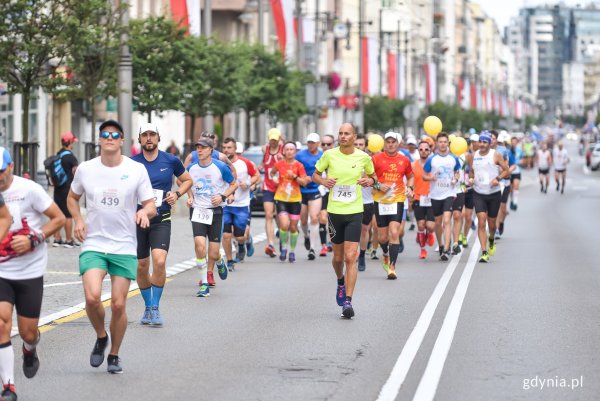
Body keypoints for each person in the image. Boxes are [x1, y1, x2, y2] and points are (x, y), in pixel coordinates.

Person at [68, 120, 156, 374]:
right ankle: (100, 336)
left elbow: (149, 203)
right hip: (94, 243)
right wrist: (78, 219)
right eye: (104, 134)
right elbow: (72, 198)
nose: (109, 138)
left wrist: (144, 214)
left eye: (114, 135)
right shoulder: (85, 169)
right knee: (92, 296)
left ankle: (114, 354)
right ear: (99, 139)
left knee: (118, 304)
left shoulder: (136, 169)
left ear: (122, 140)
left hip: (124, 245)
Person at [0, 148, 64, 401]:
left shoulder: (29, 189)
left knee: (28, 332)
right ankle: (8, 386)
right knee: (2, 322)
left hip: (30, 271)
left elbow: (58, 218)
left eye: (1, 170)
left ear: (11, 166)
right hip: (2, 271)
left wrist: (34, 237)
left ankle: (30, 348)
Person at [313, 123, 377, 319]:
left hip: (354, 211)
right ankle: (340, 280)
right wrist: (323, 181)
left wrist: (370, 181)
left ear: (354, 136)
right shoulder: (329, 155)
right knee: (338, 258)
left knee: (351, 257)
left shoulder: (364, 157)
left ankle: (348, 301)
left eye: (346, 133)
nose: (342, 136)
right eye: (340, 133)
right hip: (334, 212)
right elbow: (314, 175)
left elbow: (373, 177)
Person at [132, 123, 193, 326]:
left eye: (152, 135)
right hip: (138, 220)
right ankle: (147, 307)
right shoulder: (131, 163)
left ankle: (155, 308)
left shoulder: (171, 160)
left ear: (158, 138)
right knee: (142, 266)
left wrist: (176, 194)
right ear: (140, 139)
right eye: (145, 135)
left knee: (159, 262)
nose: (149, 138)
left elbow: (187, 180)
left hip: (161, 219)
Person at [186, 138, 237, 297]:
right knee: (200, 246)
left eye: (203, 148)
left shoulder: (220, 166)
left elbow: (233, 183)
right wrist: (189, 197)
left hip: (215, 212)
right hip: (199, 210)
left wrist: (223, 196)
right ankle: (204, 284)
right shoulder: (191, 167)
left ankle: (219, 259)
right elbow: (183, 182)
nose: (199, 151)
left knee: (213, 253)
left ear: (211, 150)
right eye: (197, 148)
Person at [372, 132, 414, 279]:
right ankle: (385, 253)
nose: (390, 144)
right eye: (388, 141)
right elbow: (367, 178)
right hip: (380, 201)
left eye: (393, 142)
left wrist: (410, 188)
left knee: (394, 232)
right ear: (384, 143)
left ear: (398, 144)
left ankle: (392, 267)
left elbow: (410, 176)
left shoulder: (404, 160)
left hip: (397, 200)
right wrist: (378, 185)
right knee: (382, 237)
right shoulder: (375, 159)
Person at [466, 132, 509, 263]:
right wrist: (471, 179)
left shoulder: (496, 155)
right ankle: (484, 252)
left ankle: (491, 239)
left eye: (485, 142)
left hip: (494, 193)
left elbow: (507, 170)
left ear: (490, 144)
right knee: (481, 220)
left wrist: (498, 179)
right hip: (479, 193)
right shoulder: (473, 156)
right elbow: (471, 171)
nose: (482, 145)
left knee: (491, 224)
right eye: (480, 142)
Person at [221, 138, 259, 270]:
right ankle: (230, 261)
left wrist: (248, 184)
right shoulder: (220, 163)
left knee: (240, 236)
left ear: (235, 149)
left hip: (242, 204)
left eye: (229, 147)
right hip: (225, 205)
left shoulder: (245, 163)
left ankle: (244, 243)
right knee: (225, 235)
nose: (226, 150)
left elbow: (256, 176)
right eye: (224, 147)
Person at [423, 133, 460, 261]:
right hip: (435, 194)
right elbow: (424, 175)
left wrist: (455, 178)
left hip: (449, 193)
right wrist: (431, 177)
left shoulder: (453, 158)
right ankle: (441, 245)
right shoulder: (432, 159)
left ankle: (446, 249)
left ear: (448, 143)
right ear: (437, 143)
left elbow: (457, 171)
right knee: (438, 223)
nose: (443, 144)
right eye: (440, 142)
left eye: (445, 142)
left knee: (446, 220)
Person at [270, 142, 310, 262]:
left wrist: (294, 177)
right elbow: (272, 173)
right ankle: (284, 248)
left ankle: (292, 251)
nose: (289, 151)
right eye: (287, 149)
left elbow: (304, 182)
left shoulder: (299, 166)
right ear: (283, 151)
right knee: (283, 225)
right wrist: (275, 178)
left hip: (295, 199)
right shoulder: (279, 164)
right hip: (281, 198)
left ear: (295, 151)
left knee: (293, 227)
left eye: (291, 149)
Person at [295, 133, 323, 261]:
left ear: (318, 143)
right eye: (309, 142)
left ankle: (312, 248)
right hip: (301, 190)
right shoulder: (300, 155)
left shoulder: (322, 155)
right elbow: (294, 168)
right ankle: (306, 235)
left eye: (313, 142)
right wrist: (300, 178)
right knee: (304, 220)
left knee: (314, 218)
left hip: (315, 190)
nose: (310, 145)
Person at [52, 132, 79, 248]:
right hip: (67, 188)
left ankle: (57, 239)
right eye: (73, 141)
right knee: (68, 214)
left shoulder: (58, 155)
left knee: (58, 213)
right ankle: (68, 240)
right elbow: (76, 173)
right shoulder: (71, 157)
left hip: (57, 188)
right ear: (70, 142)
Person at [260, 128, 284, 257]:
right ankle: (270, 244)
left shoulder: (284, 150)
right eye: (271, 140)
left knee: (279, 216)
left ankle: (281, 238)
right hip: (268, 186)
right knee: (269, 215)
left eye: (276, 140)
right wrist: (261, 166)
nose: (273, 142)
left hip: (281, 188)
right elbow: (264, 162)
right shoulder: (265, 149)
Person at [412, 140, 436, 259]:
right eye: (421, 149)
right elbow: (409, 180)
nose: (423, 151)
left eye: (426, 149)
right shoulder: (413, 165)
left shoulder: (434, 164)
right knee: (421, 225)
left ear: (430, 150)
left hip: (432, 198)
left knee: (430, 226)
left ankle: (430, 233)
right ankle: (423, 250)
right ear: (418, 150)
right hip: (418, 197)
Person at [354, 134, 374, 271]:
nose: (358, 147)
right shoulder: (346, 159)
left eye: (361, 145)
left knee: (364, 229)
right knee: (352, 229)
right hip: (350, 200)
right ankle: (351, 253)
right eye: (356, 144)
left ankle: (361, 254)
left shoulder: (370, 160)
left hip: (367, 200)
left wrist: (370, 180)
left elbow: (377, 180)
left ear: (365, 146)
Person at [317, 135, 335, 256]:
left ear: (333, 145)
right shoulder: (318, 158)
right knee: (323, 218)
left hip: (337, 193)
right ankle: (324, 245)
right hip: (323, 192)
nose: (326, 147)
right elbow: (314, 175)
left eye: (328, 144)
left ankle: (333, 242)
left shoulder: (337, 157)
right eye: (323, 144)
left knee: (333, 220)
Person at [509, 136, 524, 210]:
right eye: (512, 142)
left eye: (515, 142)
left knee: (516, 186)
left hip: (517, 171)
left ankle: (515, 203)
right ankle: (512, 200)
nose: (514, 143)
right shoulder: (508, 151)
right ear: (511, 142)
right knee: (511, 189)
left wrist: (518, 162)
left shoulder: (520, 150)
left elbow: (522, 160)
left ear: (517, 143)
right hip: (509, 172)